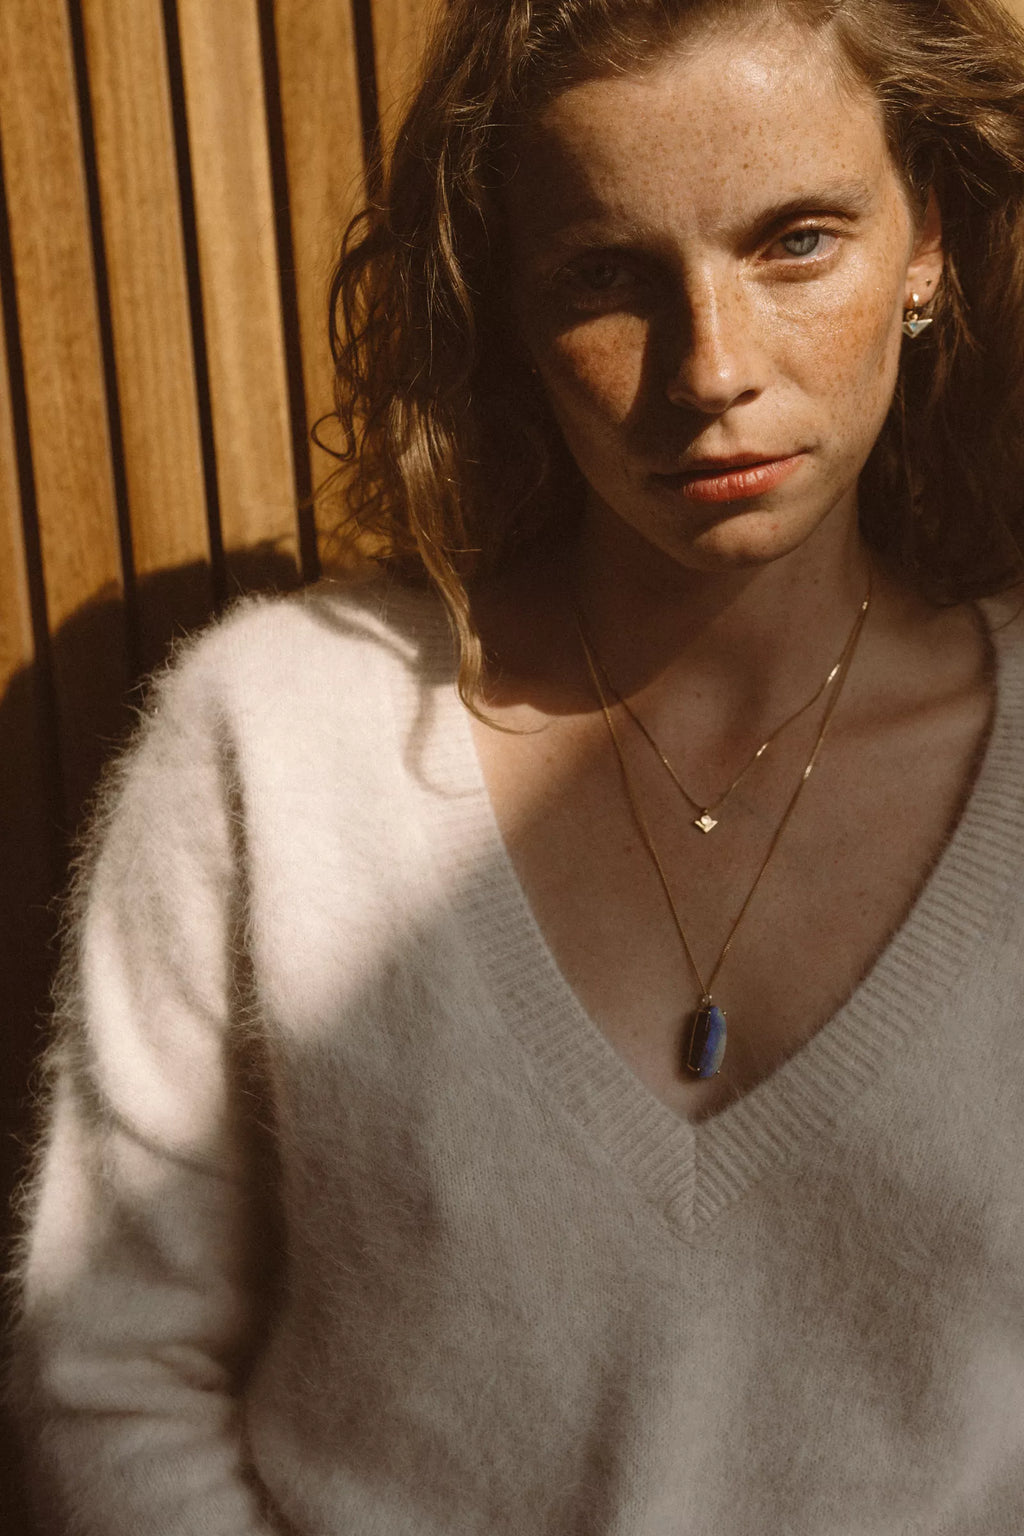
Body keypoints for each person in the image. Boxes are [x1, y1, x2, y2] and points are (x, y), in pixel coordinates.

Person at [8, 0, 1024, 1530]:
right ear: (503, 305)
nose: (712, 368)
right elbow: (109, 1370)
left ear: (927, 239)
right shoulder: (275, 746)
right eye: (606, 277)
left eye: (796, 241)